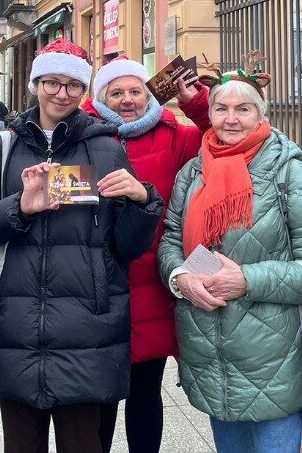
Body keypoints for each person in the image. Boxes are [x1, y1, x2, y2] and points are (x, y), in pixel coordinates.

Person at [0, 38, 164, 453]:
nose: (61, 93)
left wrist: (143, 202)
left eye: (73, 85)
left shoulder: (107, 148)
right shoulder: (3, 149)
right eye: (51, 82)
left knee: (83, 444)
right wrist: (20, 207)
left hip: (87, 331)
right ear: (35, 85)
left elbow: (126, 249)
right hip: (16, 327)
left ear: (83, 90)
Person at [157, 58, 302, 453]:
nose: (231, 119)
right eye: (221, 108)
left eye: (243, 109)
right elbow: (171, 240)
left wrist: (248, 280)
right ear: (209, 113)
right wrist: (180, 278)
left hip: (273, 358)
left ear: (261, 113)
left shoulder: (287, 172)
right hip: (209, 354)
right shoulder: (193, 172)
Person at [80, 56, 211, 453]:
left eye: (135, 91)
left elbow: (220, 140)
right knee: (99, 397)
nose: (127, 100)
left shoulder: (175, 135)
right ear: (101, 98)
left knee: (145, 391)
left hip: (153, 281)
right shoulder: (81, 134)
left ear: (149, 94)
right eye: (116, 92)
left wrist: (195, 104)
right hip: (96, 283)